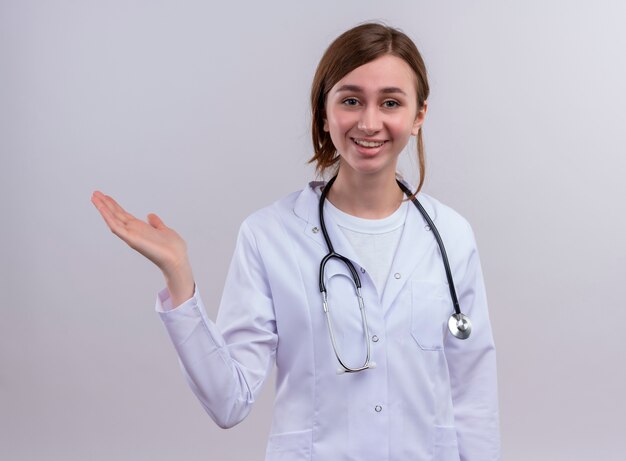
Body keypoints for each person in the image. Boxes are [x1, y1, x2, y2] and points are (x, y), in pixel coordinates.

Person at [92, 22, 500, 461]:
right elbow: (229, 402)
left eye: (390, 102)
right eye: (350, 100)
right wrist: (179, 278)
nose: (369, 121)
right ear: (323, 114)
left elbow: (473, 397)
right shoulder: (269, 235)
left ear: (418, 115)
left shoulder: (451, 236)